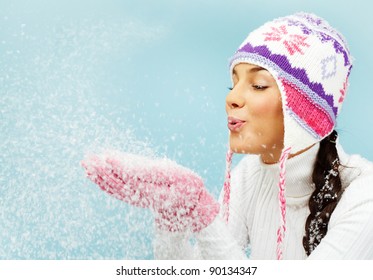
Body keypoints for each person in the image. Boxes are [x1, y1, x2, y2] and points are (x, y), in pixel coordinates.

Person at [81, 12, 373, 259]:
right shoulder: (249, 175)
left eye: (258, 85)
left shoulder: (364, 194)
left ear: (305, 113)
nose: (232, 98)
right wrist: (172, 218)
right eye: (233, 83)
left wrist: (204, 216)